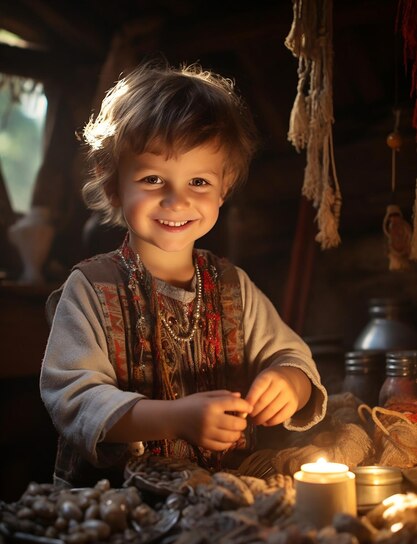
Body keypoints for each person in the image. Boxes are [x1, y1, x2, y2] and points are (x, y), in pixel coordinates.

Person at [40, 59, 328, 488]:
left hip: (225, 497)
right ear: (113, 184)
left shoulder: (235, 288)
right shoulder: (90, 290)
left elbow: (291, 356)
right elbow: (73, 397)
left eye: (198, 182)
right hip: (114, 508)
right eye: (154, 179)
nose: (177, 201)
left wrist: (289, 382)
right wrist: (175, 418)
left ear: (224, 185)